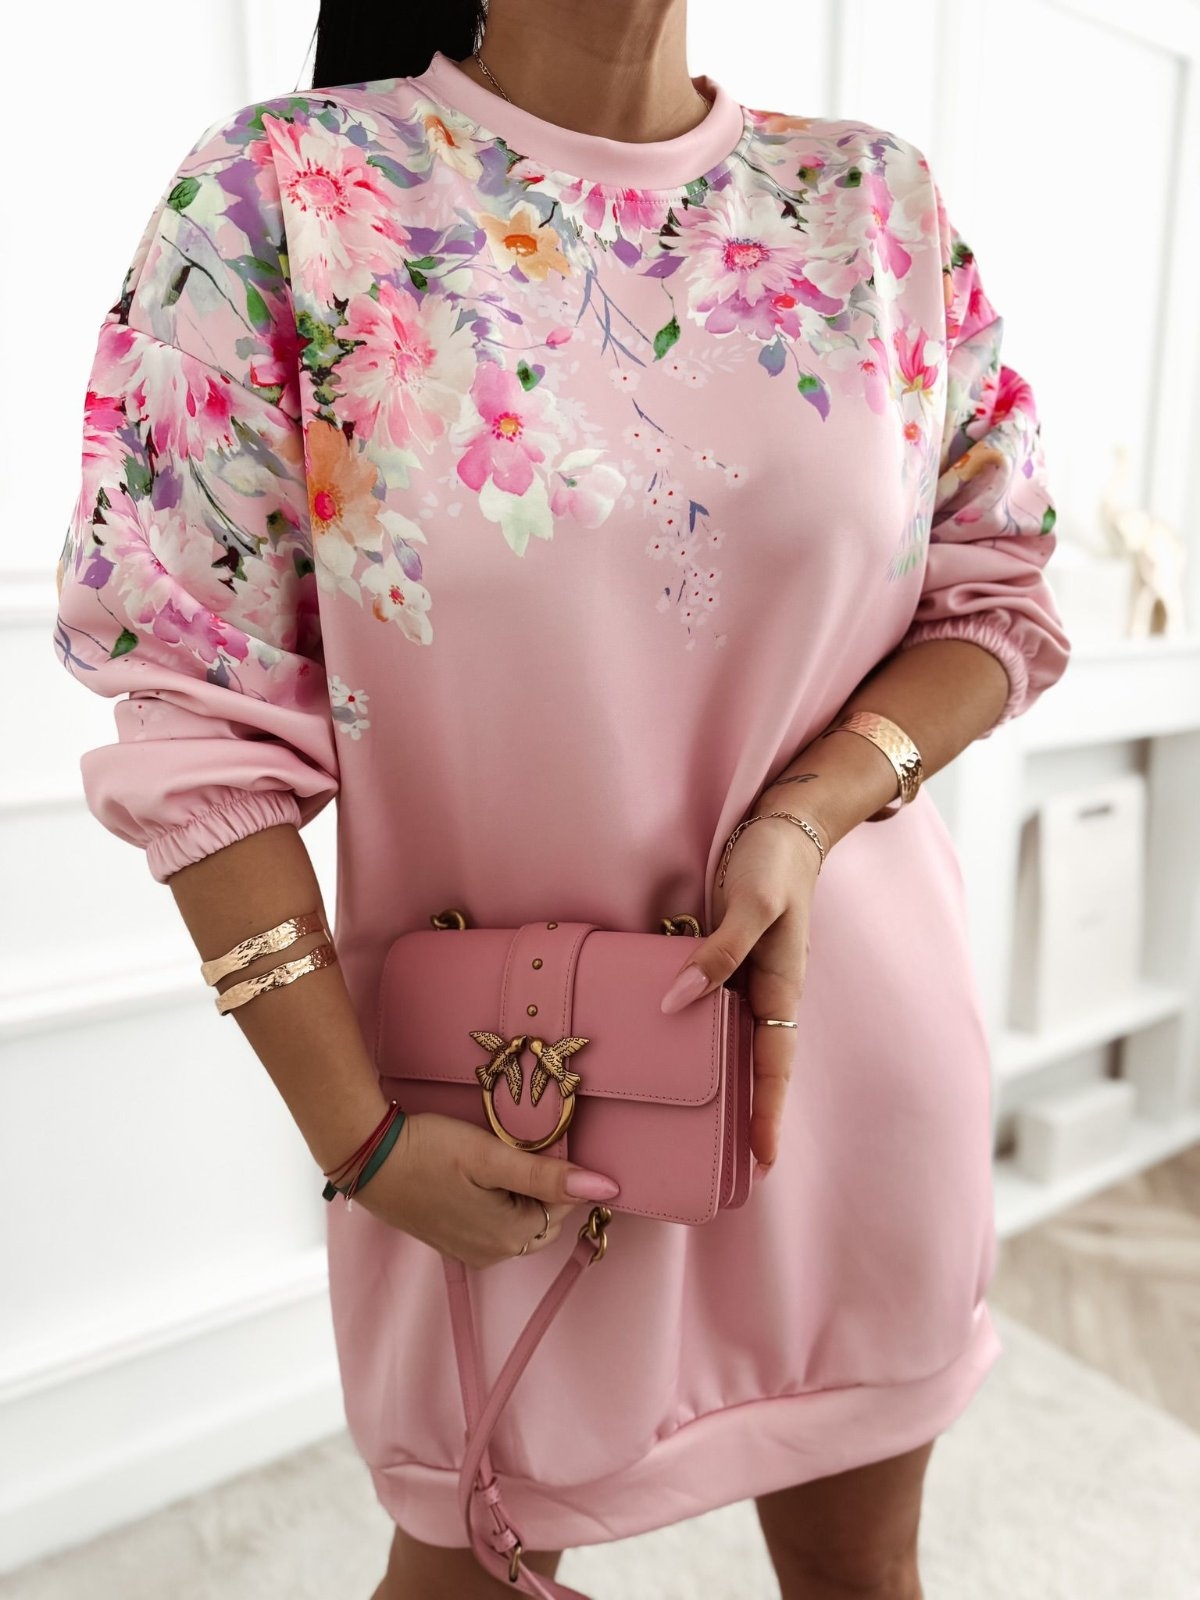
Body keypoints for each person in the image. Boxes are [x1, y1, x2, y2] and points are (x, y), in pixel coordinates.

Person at [52, 1, 1072, 1596]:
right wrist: (358, 1139)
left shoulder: (876, 202)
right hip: (513, 1113)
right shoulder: (280, 198)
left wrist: (807, 811)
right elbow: (192, 717)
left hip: (857, 1074)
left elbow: (995, 587)